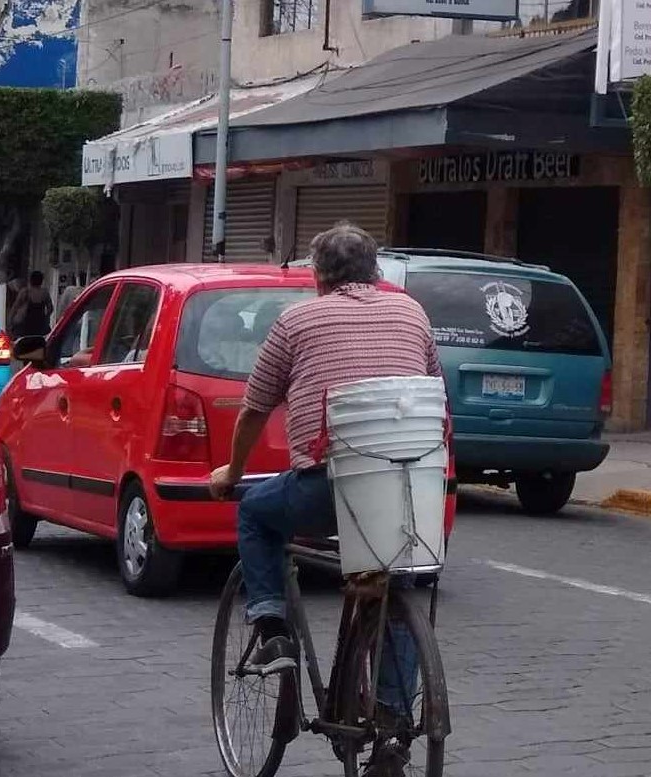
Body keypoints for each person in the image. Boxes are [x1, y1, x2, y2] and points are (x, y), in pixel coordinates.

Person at [209, 223, 441, 774]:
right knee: (399, 587)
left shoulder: (295, 321)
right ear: (375, 271)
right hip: (407, 491)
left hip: (329, 486)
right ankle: (391, 730)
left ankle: (270, 629)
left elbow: (254, 410)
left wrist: (233, 470)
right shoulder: (412, 314)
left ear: (318, 276)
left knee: (255, 512)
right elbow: (431, 391)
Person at [10, 270, 54, 338]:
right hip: (39, 324)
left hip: (25, 325)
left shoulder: (25, 292)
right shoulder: (44, 293)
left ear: (30, 280)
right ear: (41, 281)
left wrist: (10, 321)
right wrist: (45, 318)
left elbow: (15, 307)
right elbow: (50, 308)